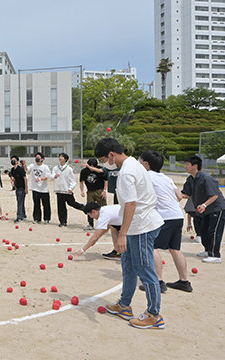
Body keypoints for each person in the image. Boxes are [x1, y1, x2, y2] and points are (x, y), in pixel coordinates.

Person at [95, 138, 164, 329]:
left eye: (103, 159)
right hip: (136, 225)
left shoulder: (126, 172)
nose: (104, 164)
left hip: (141, 226)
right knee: (128, 265)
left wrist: (122, 234)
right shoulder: (133, 163)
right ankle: (124, 305)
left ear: (111, 154)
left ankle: (154, 315)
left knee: (144, 268)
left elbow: (131, 204)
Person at [138, 150, 192, 293]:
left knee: (152, 247)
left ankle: (158, 282)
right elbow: (179, 197)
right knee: (175, 249)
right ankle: (184, 281)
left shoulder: (146, 176)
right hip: (177, 215)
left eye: (140, 160)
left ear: (146, 164)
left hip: (164, 217)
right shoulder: (166, 178)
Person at [182, 155, 225, 264]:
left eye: (187, 164)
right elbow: (186, 194)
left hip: (218, 208)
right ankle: (208, 250)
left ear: (195, 166)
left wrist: (204, 205)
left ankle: (215, 255)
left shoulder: (206, 179)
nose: (185, 167)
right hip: (206, 209)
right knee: (203, 231)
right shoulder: (190, 179)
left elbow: (214, 196)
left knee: (214, 231)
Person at [52, 153, 84, 227]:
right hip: (59, 190)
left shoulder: (69, 169)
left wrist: (70, 188)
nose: (60, 158)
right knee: (61, 207)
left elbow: (73, 181)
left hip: (67, 190)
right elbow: (51, 176)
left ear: (65, 159)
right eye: (59, 156)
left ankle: (82, 207)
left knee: (72, 203)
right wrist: (54, 176)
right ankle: (63, 222)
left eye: (62, 157)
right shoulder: (55, 168)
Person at [79, 158, 108, 230]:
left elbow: (106, 180)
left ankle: (105, 224)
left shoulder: (101, 169)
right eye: (90, 166)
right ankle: (90, 224)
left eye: (93, 167)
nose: (91, 168)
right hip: (90, 192)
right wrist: (82, 191)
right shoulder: (84, 171)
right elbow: (81, 182)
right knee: (89, 207)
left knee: (103, 207)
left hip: (99, 191)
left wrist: (104, 191)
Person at [28, 152, 52, 224]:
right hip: (35, 188)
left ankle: (46, 219)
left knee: (46, 205)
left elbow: (47, 176)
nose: (37, 158)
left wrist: (40, 179)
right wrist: (25, 165)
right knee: (36, 204)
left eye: (38, 157)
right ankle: (37, 218)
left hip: (44, 189)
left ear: (42, 159)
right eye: (36, 157)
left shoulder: (45, 167)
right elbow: (27, 169)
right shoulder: (33, 165)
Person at [10, 155, 28, 222]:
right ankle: (23, 215)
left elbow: (25, 178)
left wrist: (26, 188)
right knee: (20, 201)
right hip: (17, 188)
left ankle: (19, 217)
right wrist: (13, 182)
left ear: (17, 161)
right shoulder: (12, 169)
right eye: (12, 160)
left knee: (20, 202)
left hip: (22, 188)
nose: (13, 161)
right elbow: (12, 177)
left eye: (14, 160)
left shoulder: (20, 169)